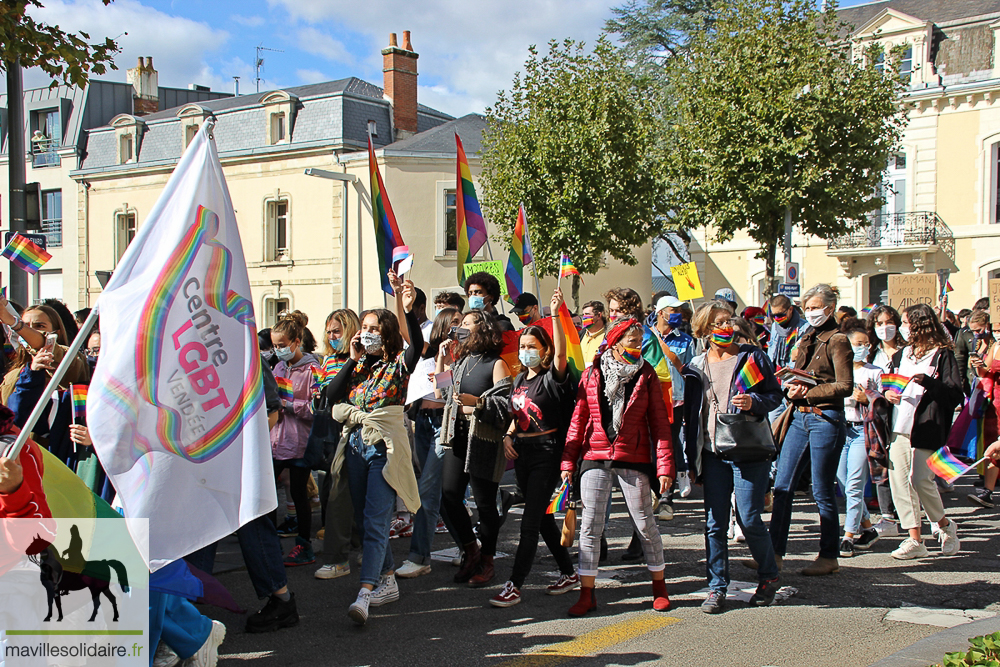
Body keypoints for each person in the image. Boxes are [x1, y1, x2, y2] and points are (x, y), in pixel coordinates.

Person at [323, 276, 423, 626]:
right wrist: (352, 359)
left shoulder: (398, 364)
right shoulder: (358, 365)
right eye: (363, 327)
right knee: (365, 519)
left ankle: (365, 591)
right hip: (355, 447)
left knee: (376, 519)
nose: (365, 333)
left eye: (372, 328)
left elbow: (417, 345)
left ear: (387, 332)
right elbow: (331, 397)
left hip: (384, 448)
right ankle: (389, 579)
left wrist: (405, 306)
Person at [560, 317, 674, 617]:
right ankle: (587, 594)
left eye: (640, 342)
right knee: (591, 526)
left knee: (644, 524)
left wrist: (664, 468)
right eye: (632, 341)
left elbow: (660, 425)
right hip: (594, 455)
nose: (638, 347)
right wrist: (568, 460)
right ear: (616, 342)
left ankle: (659, 589)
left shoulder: (647, 374)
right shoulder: (592, 373)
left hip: (633, 457)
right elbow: (578, 419)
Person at [686, 304, 783, 613]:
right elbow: (691, 414)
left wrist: (754, 401)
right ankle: (717, 587)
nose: (724, 327)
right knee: (715, 524)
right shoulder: (697, 365)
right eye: (717, 323)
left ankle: (768, 576)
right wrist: (690, 459)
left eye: (727, 321)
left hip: (747, 451)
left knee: (749, 518)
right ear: (703, 330)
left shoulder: (751, 358)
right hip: (712, 453)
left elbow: (774, 396)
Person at [490, 288, 579, 608]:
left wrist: (555, 315)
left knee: (529, 522)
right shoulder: (519, 381)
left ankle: (514, 584)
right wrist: (508, 437)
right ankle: (569, 572)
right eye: (523, 346)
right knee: (542, 519)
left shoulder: (553, 377)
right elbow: (517, 416)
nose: (526, 351)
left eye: (532, 347)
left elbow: (560, 355)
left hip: (547, 454)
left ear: (544, 351)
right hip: (523, 456)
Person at [763, 284, 852, 576]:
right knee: (783, 486)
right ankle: (773, 554)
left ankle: (829, 556)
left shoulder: (837, 339)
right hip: (798, 416)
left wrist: (808, 393)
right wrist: (790, 383)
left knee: (823, 489)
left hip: (825, 417)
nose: (810, 312)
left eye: (815, 307)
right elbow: (801, 372)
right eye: (807, 307)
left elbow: (844, 386)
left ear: (829, 307)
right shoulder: (806, 336)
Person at [438, 309, 512, 588]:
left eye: (466, 324)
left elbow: (506, 406)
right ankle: (471, 549)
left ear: (482, 329)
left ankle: (487, 561)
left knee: (484, 504)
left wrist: (478, 403)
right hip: (457, 438)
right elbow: (442, 394)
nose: (460, 328)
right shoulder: (462, 361)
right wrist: (442, 362)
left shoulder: (496, 364)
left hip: (483, 441)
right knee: (449, 494)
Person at [883, 303, 963, 559]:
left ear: (920, 325)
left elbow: (954, 394)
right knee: (899, 483)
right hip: (898, 425)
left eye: (906, 323)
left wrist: (927, 381)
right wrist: (888, 394)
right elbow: (889, 382)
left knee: (920, 480)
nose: (902, 329)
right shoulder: (900, 355)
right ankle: (914, 539)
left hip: (927, 428)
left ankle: (944, 525)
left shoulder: (942, 355)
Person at [396, 307, 462, 579]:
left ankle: (419, 556)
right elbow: (406, 333)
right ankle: (468, 543)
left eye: (462, 322)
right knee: (437, 494)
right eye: (453, 322)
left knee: (427, 491)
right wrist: (403, 302)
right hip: (423, 421)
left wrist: (445, 362)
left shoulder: (463, 355)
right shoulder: (426, 350)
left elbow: (445, 392)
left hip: (444, 425)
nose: (458, 327)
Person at [314, 309, 362, 580]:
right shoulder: (327, 360)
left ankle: (346, 552)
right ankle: (342, 551)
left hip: (355, 429)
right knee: (332, 491)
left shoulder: (361, 360)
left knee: (351, 493)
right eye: (329, 332)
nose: (332, 337)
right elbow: (326, 394)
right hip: (330, 431)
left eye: (337, 331)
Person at [269, 311, 320, 566]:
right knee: (268, 491)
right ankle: (269, 543)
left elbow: (316, 408)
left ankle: (304, 544)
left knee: (300, 494)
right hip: (277, 439)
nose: (278, 351)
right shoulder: (279, 366)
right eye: (275, 346)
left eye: (282, 345)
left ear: (296, 342)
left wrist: (290, 406)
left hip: (300, 441)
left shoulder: (313, 369)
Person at [836, 324, 882, 558]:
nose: (863, 348)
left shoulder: (874, 371)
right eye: (858, 344)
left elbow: (884, 404)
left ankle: (848, 536)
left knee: (854, 484)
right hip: (840, 430)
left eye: (866, 344)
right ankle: (868, 527)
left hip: (861, 430)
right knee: (843, 483)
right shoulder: (839, 370)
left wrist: (868, 398)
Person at [0, 300, 90, 412]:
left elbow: (47, 344)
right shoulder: (11, 376)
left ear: (57, 333)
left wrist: (14, 323)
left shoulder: (71, 357)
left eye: (39, 326)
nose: (29, 330)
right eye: (26, 326)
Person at [651, 295, 696, 513]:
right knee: (651, 445)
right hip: (649, 399)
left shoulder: (686, 340)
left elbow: (692, 374)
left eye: (679, 310)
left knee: (667, 442)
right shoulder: (644, 336)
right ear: (660, 312)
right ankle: (653, 489)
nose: (677, 314)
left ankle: (666, 496)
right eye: (672, 310)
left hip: (675, 400)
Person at [866, 304, 906, 535]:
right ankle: (887, 515)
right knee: (881, 461)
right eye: (879, 323)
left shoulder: (908, 351)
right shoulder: (871, 352)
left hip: (903, 413)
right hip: (878, 415)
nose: (884, 328)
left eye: (889, 323)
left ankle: (907, 510)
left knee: (902, 464)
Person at [968, 310, 999, 508]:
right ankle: (987, 491)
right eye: (996, 328)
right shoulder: (995, 346)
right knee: (993, 444)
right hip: (995, 401)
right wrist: (978, 363)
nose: (997, 331)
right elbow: (985, 371)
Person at [955, 297, 991, 396]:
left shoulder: (995, 343)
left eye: (978, 330)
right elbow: (960, 357)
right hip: (975, 385)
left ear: (987, 326)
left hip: (992, 386)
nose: (976, 334)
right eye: (973, 331)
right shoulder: (972, 339)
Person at [766, 294, 807, 370]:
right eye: (773, 315)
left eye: (780, 315)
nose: (777, 318)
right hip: (776, 371)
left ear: (790, 309)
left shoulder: (804, 327)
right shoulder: (775, 326)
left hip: (793, 371)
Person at [580, 300, 607, 368]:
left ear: (598, 315)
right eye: (583, 315)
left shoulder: (607, 336)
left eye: (587, 314)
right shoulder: (580, 335)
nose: (584, 318)